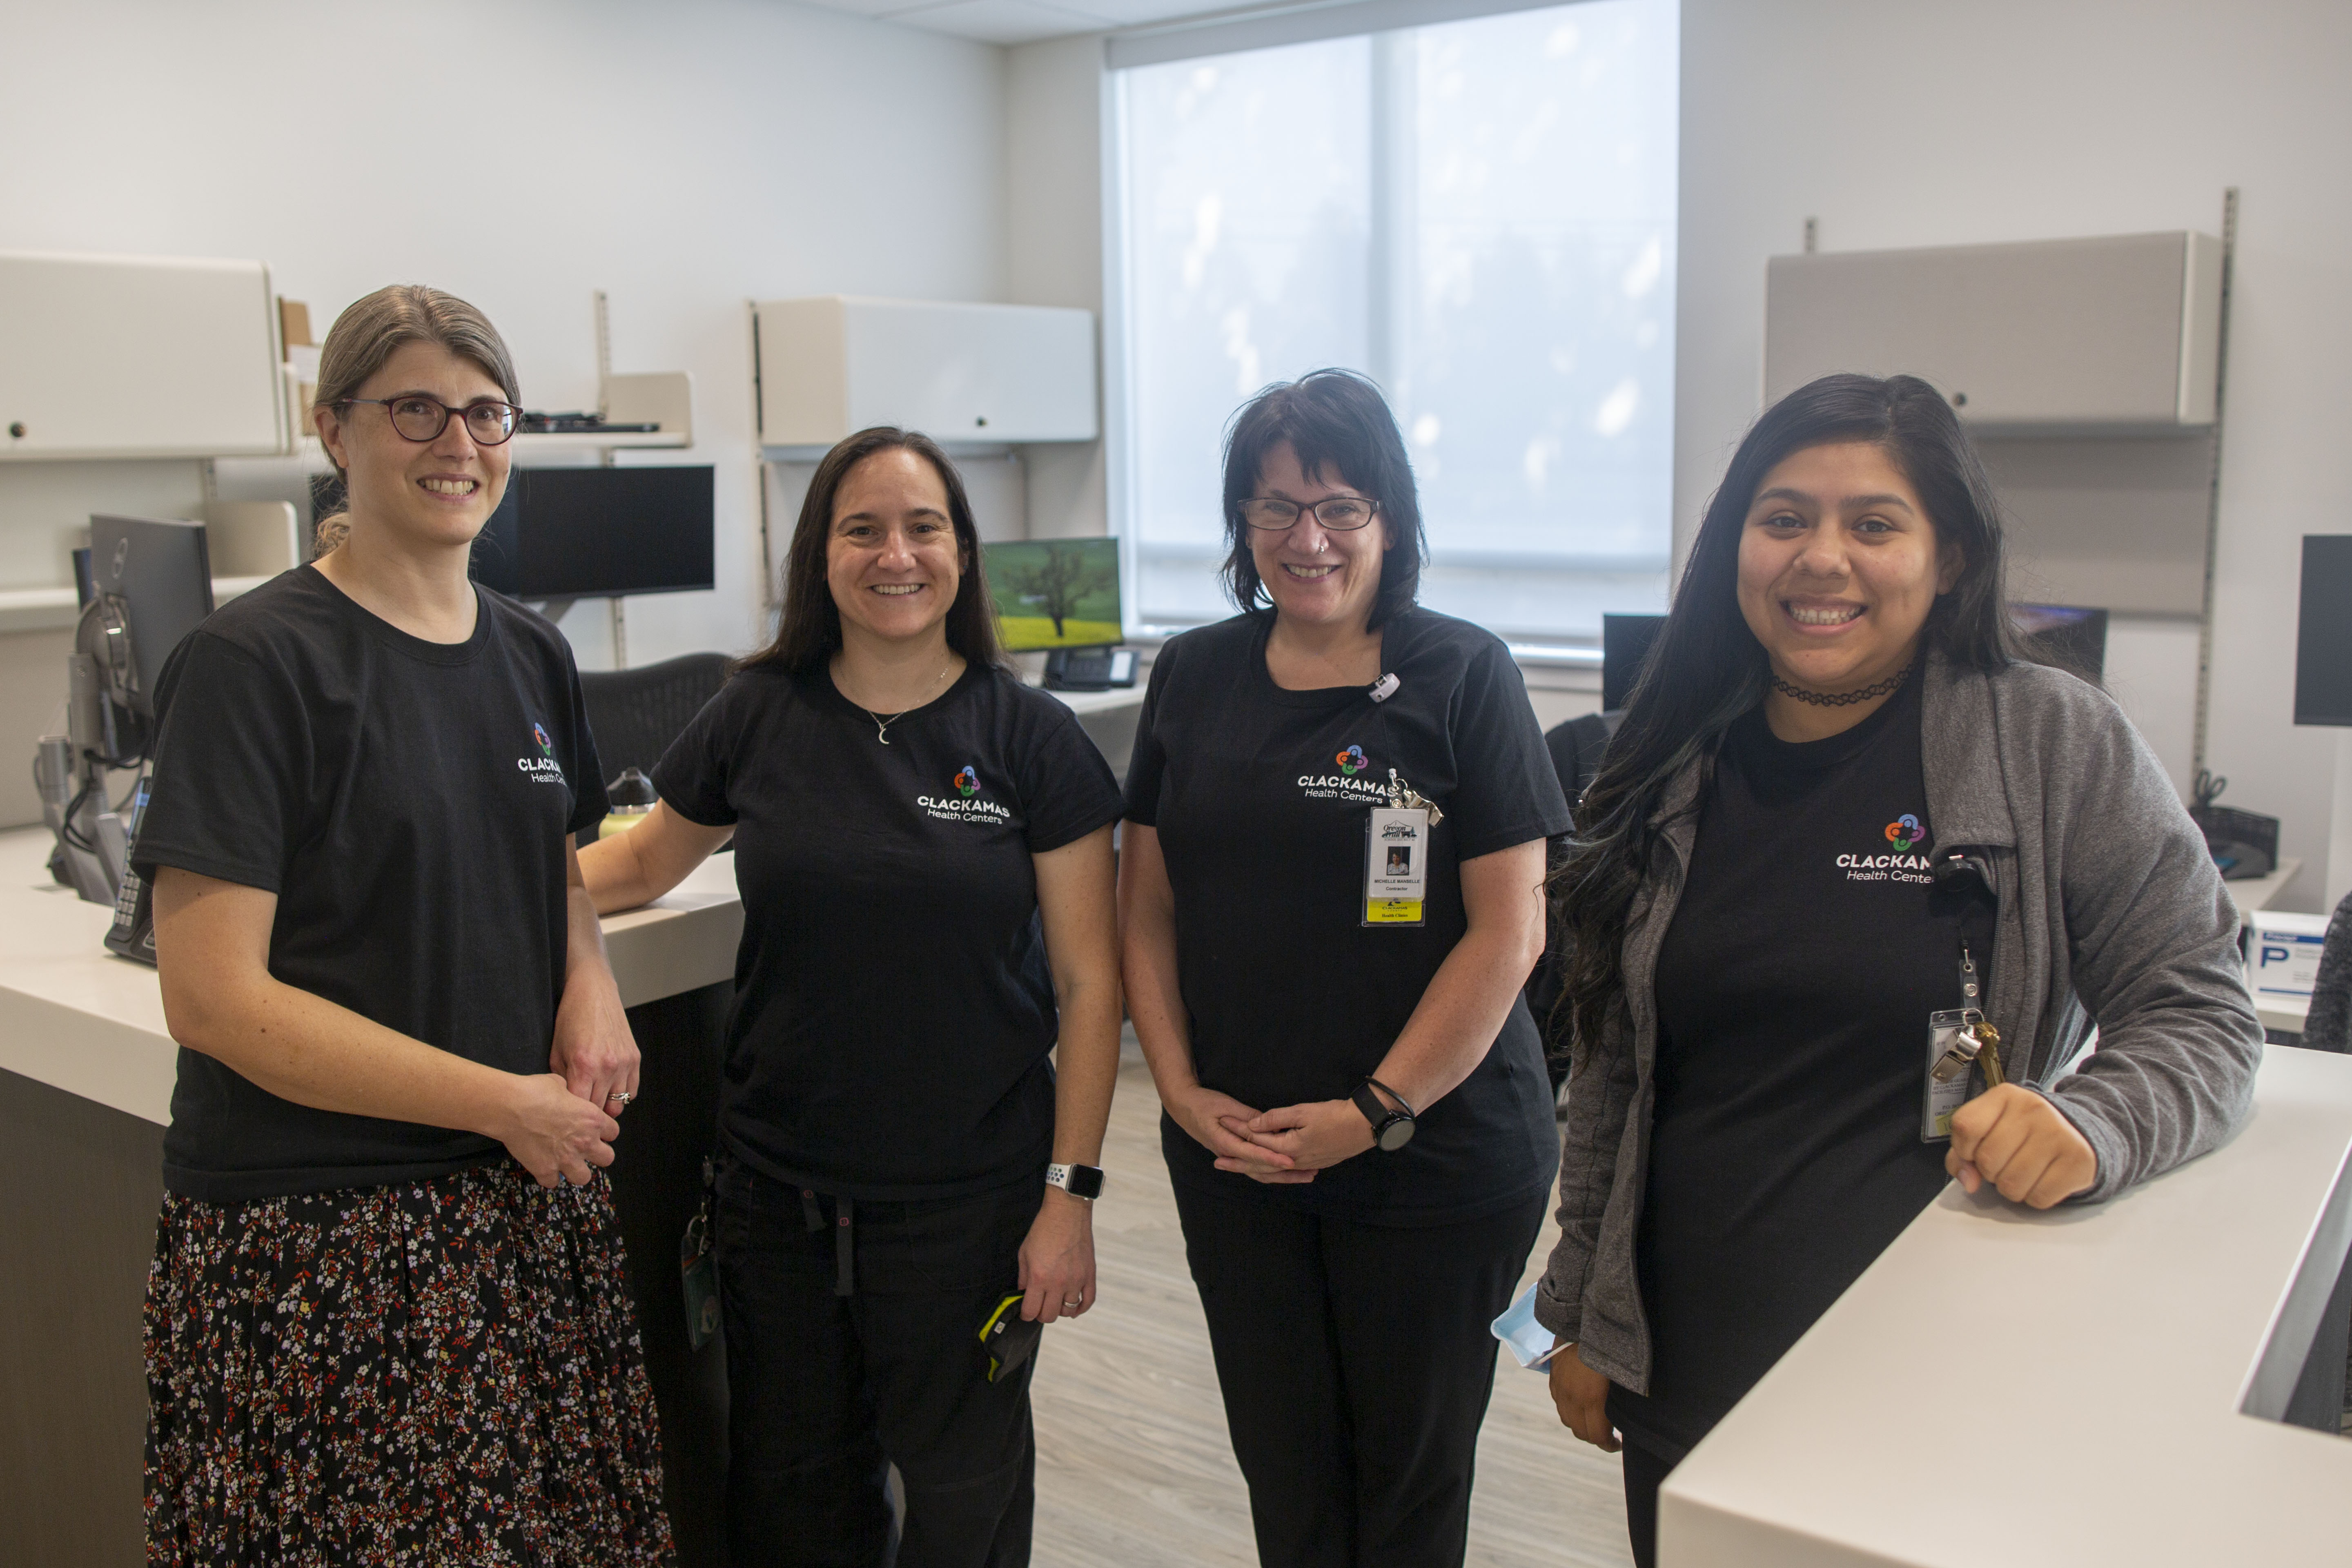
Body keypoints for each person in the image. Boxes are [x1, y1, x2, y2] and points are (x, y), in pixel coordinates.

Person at [1536, 373, 2264, 1567]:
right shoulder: (1665, 763)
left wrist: (2093, 1121)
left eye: (1874, 524)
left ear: (1954, 558)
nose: (1822, 558)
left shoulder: (2053, 743)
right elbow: (1613, 1077)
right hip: (1687, 1362)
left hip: (1939, 1374)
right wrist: (1577, 1309)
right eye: (1784, 519)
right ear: (1737, 549)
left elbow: (2204, 1006)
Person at [136, 285, 674, 1564]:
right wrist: (502, 1101)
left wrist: (588, 986)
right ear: (334, 428)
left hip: (512, 1208)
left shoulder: (531, 654)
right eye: (416, 409)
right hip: (326, 1239)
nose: (460, 443)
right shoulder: (255, 666)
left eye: (487, 413)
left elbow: (554, 870)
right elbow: (214, 1001)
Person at [578, 427, 1124, 1568]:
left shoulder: (1031, 740)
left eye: (923, 527)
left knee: (964, 1507)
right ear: (820, 556)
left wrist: (1069, 1197)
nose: (896, 554)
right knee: (792, 1502)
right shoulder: (756, 713)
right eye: (862, 528)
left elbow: (1088, 983)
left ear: (961, 554)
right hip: (779, 1199)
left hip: (966, 1207)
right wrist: (476, 900)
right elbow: (634, 865)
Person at [1118, 369, 1571, 1568]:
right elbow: (1147, 907)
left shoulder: (1464, 674)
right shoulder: (1194, 675)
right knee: (1289, 1476)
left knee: (1410, 1488)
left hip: (1434, 1157)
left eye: (1339, 507)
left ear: (1389, 518)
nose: (1305, 539)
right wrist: (1171, 1083)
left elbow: (1508, 932)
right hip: (1238, 1155)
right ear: (1241, 525)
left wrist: (1373, 1112)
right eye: (1273, 510)